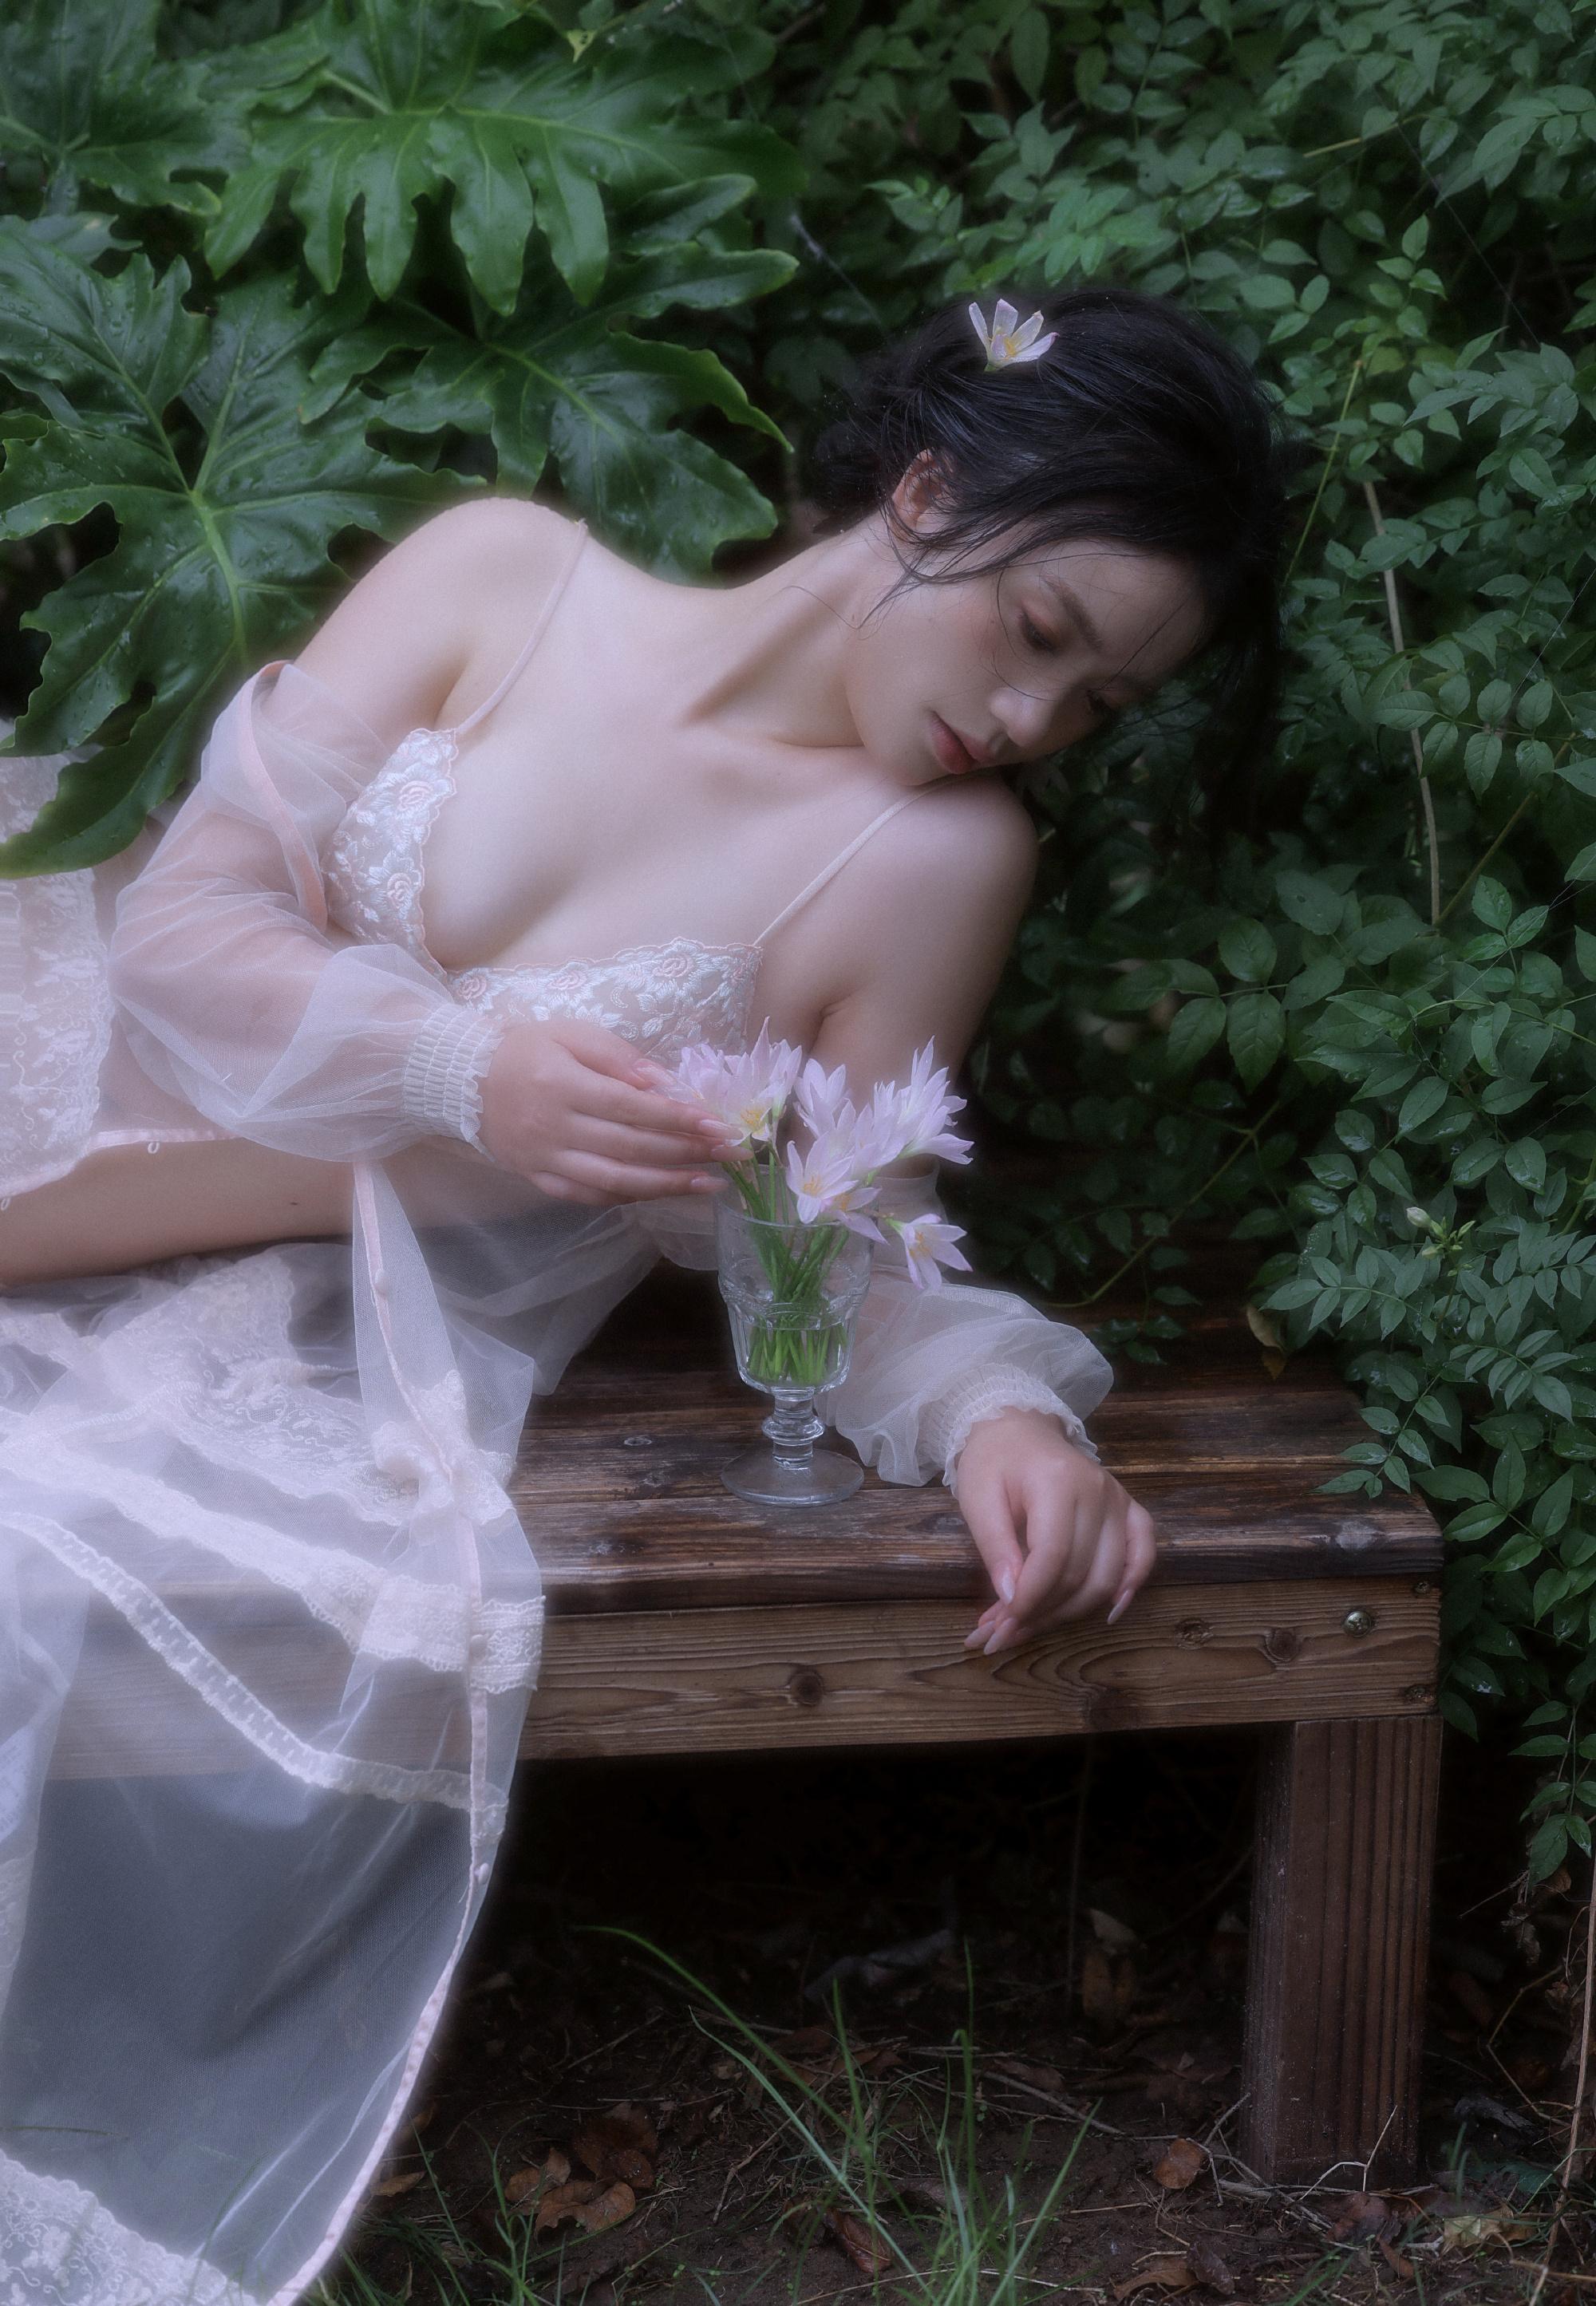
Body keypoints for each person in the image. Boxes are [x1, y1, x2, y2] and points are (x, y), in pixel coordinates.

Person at [0, 285, 1287, 2302]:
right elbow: (182, 917)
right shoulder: (499, 577)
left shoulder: (928, 862)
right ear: (926, 491)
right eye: (1040, 633)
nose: (1038, 719)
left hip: (216, 1273)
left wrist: (1002, 1417)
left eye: (1100, 704)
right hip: (53, 1019)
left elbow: (835, 1234)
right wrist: (460, 1065)